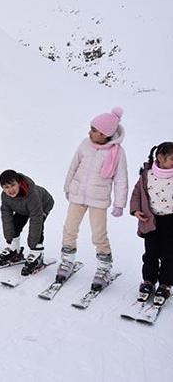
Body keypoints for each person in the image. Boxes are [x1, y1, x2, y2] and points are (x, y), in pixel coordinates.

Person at [57, 107, 128, 291]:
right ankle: (67, 261)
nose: (90, 132)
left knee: (98, 234)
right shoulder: (85, 144)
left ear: (104, 134)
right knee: (69, 229)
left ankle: (104, 267)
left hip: (98, 199)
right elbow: (73, 166)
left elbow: (121, 179)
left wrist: (119, 204)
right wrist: (68, 186)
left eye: (94, 130)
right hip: (78, 194)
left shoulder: (117, 152)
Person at [130, 142, 173, 305]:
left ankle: (165, 283)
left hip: (170, 221)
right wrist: (135, 210)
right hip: (150, 220)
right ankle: (148, 281)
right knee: (151, 253)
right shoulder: (147, 175)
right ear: (160, 158)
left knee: (169, 254)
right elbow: (137, 193)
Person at [0, 170, 54, 275]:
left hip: (42, 205)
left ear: (19, 183)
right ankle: (14, 251)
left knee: (38, 227)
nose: (11, 190)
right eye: (6, 187)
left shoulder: (32, 195)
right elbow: (6, 215)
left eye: (13, 185)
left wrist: (32, 243)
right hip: (22, 208)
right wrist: (9, 237)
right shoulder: (5, 196)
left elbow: (36, 220)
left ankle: (37, 255)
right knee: (15, 225)